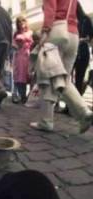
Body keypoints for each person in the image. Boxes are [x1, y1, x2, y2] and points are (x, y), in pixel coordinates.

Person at [30, 0, 93, 133]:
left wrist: (45, 32)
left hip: (57, 32)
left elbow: (50, 9)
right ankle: (84, 112)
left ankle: (46, 121)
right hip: (74, 35)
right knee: (64, 80)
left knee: (47, 77)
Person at [72, 1, 93, 95]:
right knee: (69, 80)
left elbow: (90, 37)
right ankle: (69, 106)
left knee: (79, 80)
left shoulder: (85, 20)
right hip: (72, 51)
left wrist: (81, 39)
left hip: (82, 52)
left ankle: (75, 105)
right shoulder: (70, 21)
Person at [12, 16, 33, 104]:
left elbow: (34, 43)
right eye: (19, 23)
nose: (22, 24)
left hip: (29, 56)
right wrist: (17, 45)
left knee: (30, 76)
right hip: (19, 57)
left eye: (23, 22)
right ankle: (22, 96)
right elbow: (13, 44)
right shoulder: (16, 34)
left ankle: (30, 96)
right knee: (20, 77)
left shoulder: (30, 32)